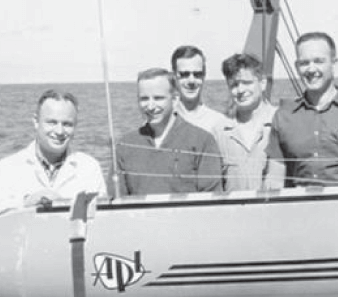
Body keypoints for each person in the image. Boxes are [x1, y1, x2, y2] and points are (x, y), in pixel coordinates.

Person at [0, 89, 107, 297]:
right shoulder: (8, 168)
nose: (59, 131)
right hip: (28, 285)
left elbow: (102, 223)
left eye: (67, 124)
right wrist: (25, 203)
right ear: (35, 121)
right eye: (51, 122)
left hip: (73, 284)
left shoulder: (88, 167)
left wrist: (66, 207)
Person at [264, 32, 338, 188]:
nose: (311, 69)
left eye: (319, 61)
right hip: (301, 207)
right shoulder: (283, 116)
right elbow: (275, 178)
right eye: (304, 63)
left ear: (334, 64)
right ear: (297, 67)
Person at [115, 67, 223, 194]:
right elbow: (117, 200)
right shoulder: (125, 145)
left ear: (175, 99)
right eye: (144, 99)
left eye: (158, 98)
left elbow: (212, 198)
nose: (150, 106)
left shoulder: (202, 141)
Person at [215, 53, 277, 191]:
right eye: (234, 85)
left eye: (247, 83)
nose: (241, 90)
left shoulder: (281, 122)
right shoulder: (219, 131)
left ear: (262, 83)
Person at [170, 45, 227, 133]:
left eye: (197, 74)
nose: (191, 81)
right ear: (174, 76)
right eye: (184, 74)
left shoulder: (219, 123)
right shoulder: (161, 120)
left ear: (204, 76)